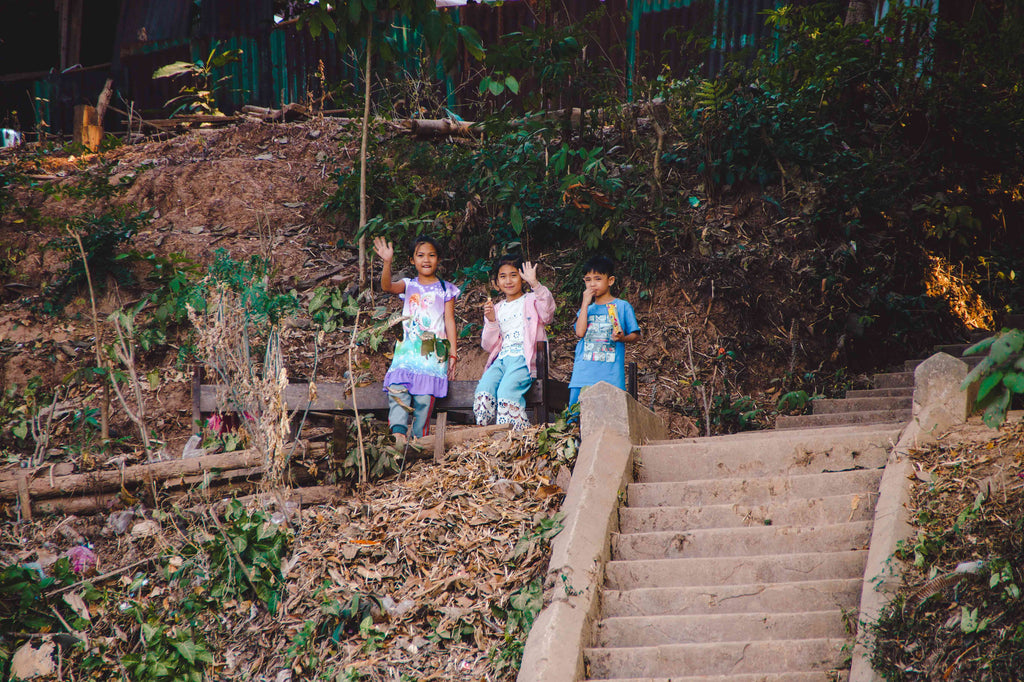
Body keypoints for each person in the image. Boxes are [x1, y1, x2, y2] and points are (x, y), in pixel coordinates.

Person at [374, 235, 459, 443]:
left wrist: (453, 353)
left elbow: (449, 320)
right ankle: (398, 435)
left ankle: (420, 441)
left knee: (423, 398)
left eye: (431, 255)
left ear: (438, 260)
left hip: (432, 354)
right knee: (398, 388)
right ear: (412, 260)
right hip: (406, 353)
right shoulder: (408, 284)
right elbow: (387, 286)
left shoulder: (446, 288)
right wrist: (387, 262)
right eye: (420, 255)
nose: (426, 260)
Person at [473, 255, 556, 430]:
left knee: (507, 391)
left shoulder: (531, 300)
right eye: (503, 277)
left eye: (514, 275)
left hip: (523, 358)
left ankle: (515, 434)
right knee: (484, 387)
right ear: (496, 283)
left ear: (522, 278)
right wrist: (491, 321)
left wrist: (535, 284)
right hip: (502, 359)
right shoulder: (497, 308)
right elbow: (488, 345)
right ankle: (487, 432)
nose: (508, 281)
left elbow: (547, 313)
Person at [568, 255, 640, 406]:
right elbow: (580, 333)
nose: (592, 284)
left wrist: (622, 338)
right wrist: (585, 304)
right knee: (575, 418)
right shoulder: (586, 309)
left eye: (598, 279)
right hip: (583, 375)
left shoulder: (622, 306)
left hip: (611, 376)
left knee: (612, 418)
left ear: (610, 281)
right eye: (588, 280)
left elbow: (635, 335)